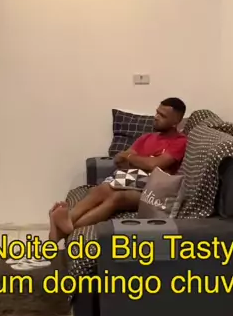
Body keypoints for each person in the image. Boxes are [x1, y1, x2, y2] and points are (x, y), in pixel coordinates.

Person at [49, 97, 187, 240]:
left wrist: (134, 159)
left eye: (162, 116)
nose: (156, 117)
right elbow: (120, 159)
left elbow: (155, 165)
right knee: (102, 189)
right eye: (157, 112)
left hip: (152, 191)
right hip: (130, 181)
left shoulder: (179, 141)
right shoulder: (147, 138)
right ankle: (67, 222)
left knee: (117, 197)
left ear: (175, 121)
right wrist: (142, 161)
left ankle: (62, 225)